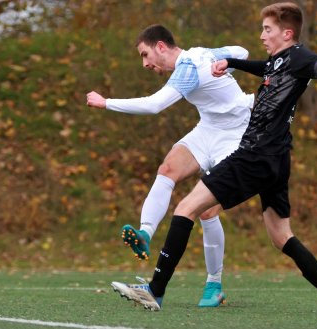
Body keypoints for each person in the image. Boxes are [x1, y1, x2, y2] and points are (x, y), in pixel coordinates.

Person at [111, 2, 317, 312]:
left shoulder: (298, 58)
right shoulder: (278, 61)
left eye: (267, 30)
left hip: (254, 156)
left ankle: (155, 290)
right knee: (282, 236)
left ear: (287, 33)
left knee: (186, 208)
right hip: (277, 160)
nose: (262, 36)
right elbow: (260, 65)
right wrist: (228, 60)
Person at [87, 24, 255, 307]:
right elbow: (242, 50)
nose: (145, 64)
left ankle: (214, 283)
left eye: (145, 55)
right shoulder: (201, 54)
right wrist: (225, 62)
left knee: (208, 209)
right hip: (208, 129)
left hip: (236, 135)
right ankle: (144, 234)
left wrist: (107, 103)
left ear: (161, 47)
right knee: (167, 169)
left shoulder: (188, 67)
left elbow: (155, 105)